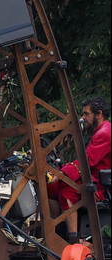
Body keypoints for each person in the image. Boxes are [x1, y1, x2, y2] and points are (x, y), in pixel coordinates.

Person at [46, 96, 109, 243]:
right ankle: (56, 230)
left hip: (100, 185)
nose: (83, 118)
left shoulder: (105, 133)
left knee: (68, 192)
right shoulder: (100, 131)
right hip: (91, 178)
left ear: (98, 114)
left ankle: (73, 241)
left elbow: (86, 162)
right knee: (52, 188)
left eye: (86, 114)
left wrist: (61, 174)